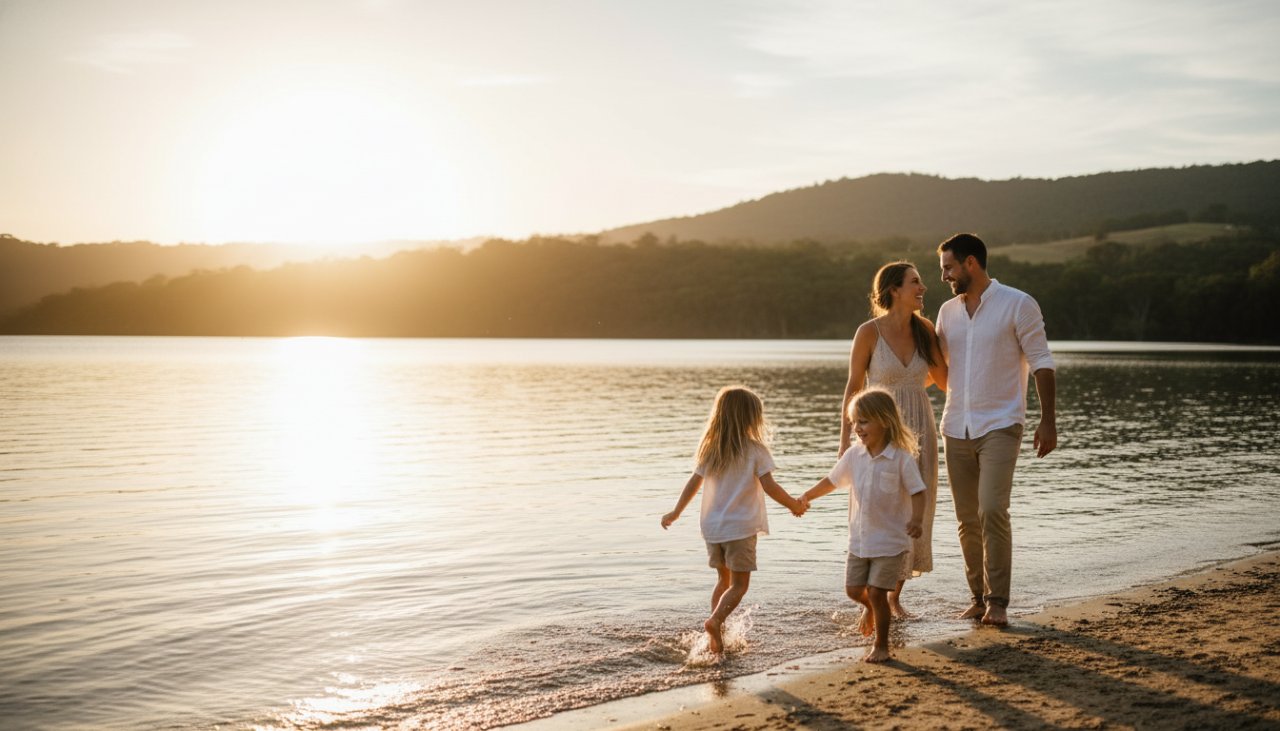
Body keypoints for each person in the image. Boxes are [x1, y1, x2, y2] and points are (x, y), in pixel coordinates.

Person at [935, 233, 1057, 627]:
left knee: (991, 509)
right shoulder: (947, 312)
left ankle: (999, 601)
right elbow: (939, 370)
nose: (944, 277)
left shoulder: (1018, 304)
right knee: (967, 518)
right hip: (955, 426)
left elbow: (1042, 363)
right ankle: (977, 597)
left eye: (949, 268)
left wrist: (1048, 419)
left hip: (1001, 424)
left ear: (971, 263)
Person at [839, 261, 947, 619]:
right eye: (915, 282)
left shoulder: (925, 329)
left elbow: (943, 381)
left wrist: (911, 387)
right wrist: (844, 443)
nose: (923, 288)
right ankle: (872, 593)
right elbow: (854, 389)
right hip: (877, 432)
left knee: (916, 509)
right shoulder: (868, 332)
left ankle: (891, 597)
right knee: (877, 509)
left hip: (919, 430)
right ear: (894, 290)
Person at [661, 386, 806, 654]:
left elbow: (693, 483)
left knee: (723, 581)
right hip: (740, 528)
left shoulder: (711, 450)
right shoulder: (755, 450)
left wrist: (676, 512)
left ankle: (720, 633)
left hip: (713, 529)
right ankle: (715, 622)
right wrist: (794, 505)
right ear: (752, 418)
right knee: (739, 586)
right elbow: (770, 487)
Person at [800, 389, 926, 663]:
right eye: (854, 422)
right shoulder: (854, 456)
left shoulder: (901, 459)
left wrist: (916, 520)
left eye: (864, 422)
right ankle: (870, 608)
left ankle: (881, 645)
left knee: (880, 592)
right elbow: (832, 481)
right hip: (859, 540)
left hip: (890, 542)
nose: (857, 428)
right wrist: (807, 496)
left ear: (884, 421)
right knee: (854, 590)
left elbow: (918, 491)